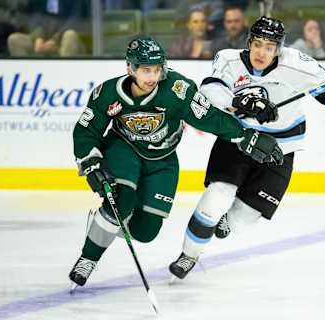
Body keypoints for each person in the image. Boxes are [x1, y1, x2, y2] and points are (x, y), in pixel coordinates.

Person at [68, 36, 284, 288]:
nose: (152, 76)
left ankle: (106, 220)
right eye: (145, 70)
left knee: (145, 232)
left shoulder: (176, 89)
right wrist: (91, 162)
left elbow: (209, 118)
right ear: (130, 68)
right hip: (123, 149)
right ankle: (88, 258)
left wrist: (243, 135)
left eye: (156, 70)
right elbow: (86, 132)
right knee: (122, 200)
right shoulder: (106, 94)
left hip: (162, 160)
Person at [168, 16, 325, 279]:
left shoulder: (298, 65)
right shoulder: (228, 58)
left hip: (280, 147)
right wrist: (240, 102)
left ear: (278, 49)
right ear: (249, 43)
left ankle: (228, 221)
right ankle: (189, 255)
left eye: (269, 47)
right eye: (257, 44)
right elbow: (210, 90)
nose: (262, 52)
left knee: (241, 222)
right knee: (217, 196)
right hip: (239, 137)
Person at [7, 0, 90, 57]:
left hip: (67, 39)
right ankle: (31, 77)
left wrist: (54, 40)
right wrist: (39, 38)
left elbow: (75, 21)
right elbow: (35, 18)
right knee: (15, 40)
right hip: (46, 38)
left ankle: (64, 76)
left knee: (70, 35)